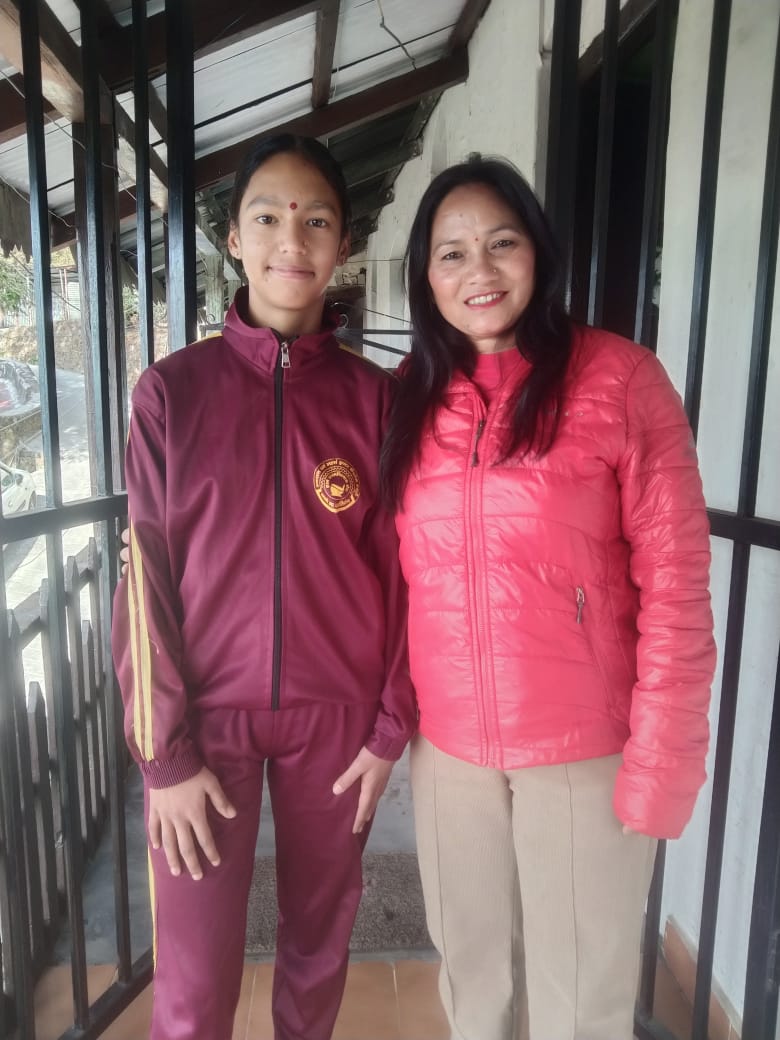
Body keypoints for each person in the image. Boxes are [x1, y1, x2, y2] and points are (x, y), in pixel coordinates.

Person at [380, 156, 716, 1040]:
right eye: (451, 253)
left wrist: (664, 760)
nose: (479, 271)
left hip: (582, 751)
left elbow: (677, 583)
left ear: (539, 252)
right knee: (473, 983)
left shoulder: (620, 379)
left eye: (502, 243)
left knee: (581, 1006)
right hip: (449, 753)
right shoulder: (408, 397)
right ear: (425, 276)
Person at [111, 134, 416, 1040]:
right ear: (235, 239)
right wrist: (163, 758)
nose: (293, 239)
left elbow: (407, 568)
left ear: (344, 242)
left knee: (319, 947)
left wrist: (391, 725)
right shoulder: (171, 394)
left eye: (316, 220)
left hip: (338, 723)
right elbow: (144, 577)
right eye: (269, 217)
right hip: (205, 721)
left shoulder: (376, 401)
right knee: (195, 975)